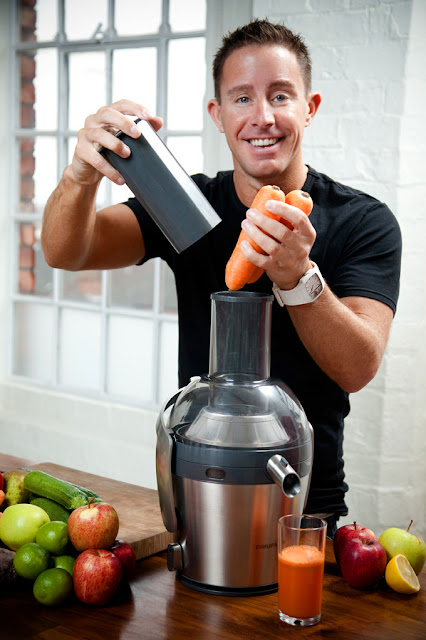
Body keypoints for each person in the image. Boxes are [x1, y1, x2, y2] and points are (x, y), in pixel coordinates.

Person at [41, 19, 402, 538]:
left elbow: (358, 366)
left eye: (281, 96)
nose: (263, 117)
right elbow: (66, 251)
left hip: (305, 512)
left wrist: (297, 277)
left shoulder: (362, 221)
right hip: (197, 496)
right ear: (217, 114)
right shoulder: (186, 208)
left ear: (310, 107)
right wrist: (80, 175)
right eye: (242, 98)